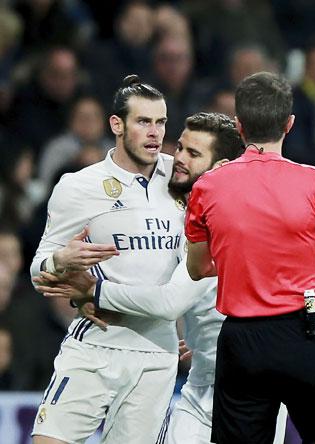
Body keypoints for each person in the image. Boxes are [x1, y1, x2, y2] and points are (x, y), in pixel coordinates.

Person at [33, 112, 288, 444]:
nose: (178, 159)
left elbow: (170, 301)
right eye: (180, 147)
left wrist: (94, 290)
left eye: (193, 154)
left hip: (256, 393)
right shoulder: (184, 208)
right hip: (198, 388)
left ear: (221, 166)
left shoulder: (229, 221)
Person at [185, 71, 315, 444]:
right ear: (289, 124)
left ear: (239, 127)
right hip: (305, 334)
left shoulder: (207, 186)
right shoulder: (314, 181)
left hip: (243, 342)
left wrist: (243, 254)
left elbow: (197, 268)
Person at [29, 75, 185, 444]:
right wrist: (61, 259)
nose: (155, 132)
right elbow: (39, 271)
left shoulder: (182, 180)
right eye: (143, 121)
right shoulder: (78, 186)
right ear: (117, 124)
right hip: (96, 343)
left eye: (161, 122)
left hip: (156, 353)